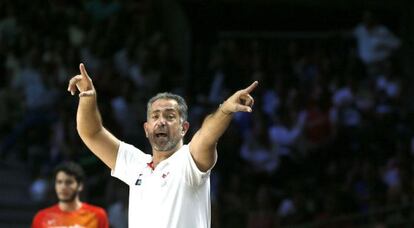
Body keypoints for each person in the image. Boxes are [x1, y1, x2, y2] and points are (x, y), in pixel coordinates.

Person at [67, 63, 258, 227]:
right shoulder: (135, 164)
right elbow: (91, 133)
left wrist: (225, 109)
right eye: (155, 116)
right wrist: (87, 96)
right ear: (146, 129)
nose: (161, 122)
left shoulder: (188, 161)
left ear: (184, 128)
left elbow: (207, 135)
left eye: (170, 116)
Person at [32, 161, 109, 228]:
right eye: (59, 182)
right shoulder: (41, 217)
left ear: (80, 185)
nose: (63, 187)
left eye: (69, 182)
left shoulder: (97, 215)